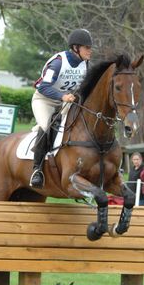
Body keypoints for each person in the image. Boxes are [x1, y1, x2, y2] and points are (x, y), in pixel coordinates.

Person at [29, 29, 93, 188]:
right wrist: (63, 96)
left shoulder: (85, 64)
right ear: (76, 48)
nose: (90, 51)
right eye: (87, 47)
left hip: (66, 102)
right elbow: (43, 87)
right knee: (46, 127)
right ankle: (36, 171)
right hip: (44, 100)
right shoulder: (58, 63)